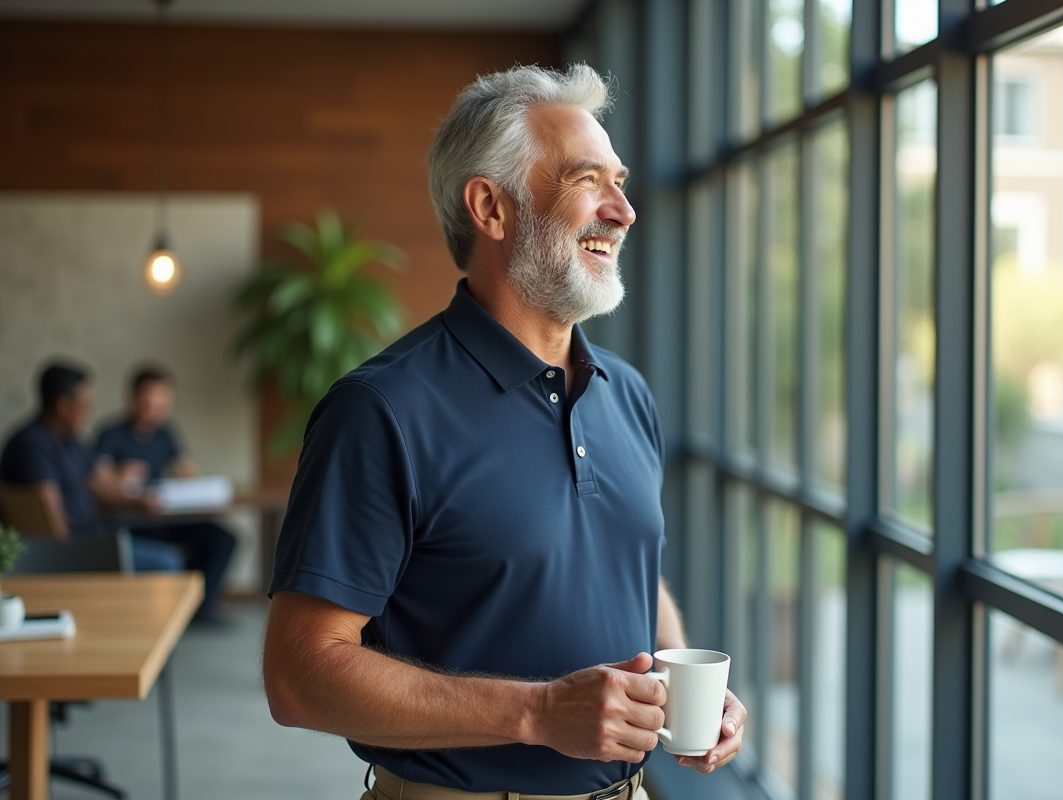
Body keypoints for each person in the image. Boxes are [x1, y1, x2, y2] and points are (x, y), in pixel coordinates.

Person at [262, 64, 746, 800]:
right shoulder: (381, 410)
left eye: (620, 181)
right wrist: (540, 713)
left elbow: (629, 570)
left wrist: (682, 683)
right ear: (491, 206)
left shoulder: (628, 394)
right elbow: (299, 675)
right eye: (589, 180)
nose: (624, 210)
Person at [0, 361, 183, 572]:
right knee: (167, 561)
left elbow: (101, 485)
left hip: (94, 535)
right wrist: (76, 555)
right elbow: (50, 526)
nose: (90, 410)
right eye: (85, 404)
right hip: (71, 549)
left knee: (162, 549)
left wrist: (138, 501)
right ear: (63, 406)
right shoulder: (31, 445)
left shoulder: (71, 442)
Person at [93, 365, 237, 623]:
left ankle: (198, 609)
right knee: (169, 555)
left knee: (224, 539)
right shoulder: (111, 434)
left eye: (161, 404)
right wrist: (120, 480)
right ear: (133, 398)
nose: (155, 410)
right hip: (130, 523)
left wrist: (192, 486)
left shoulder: (165, 433)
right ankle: (173, 610)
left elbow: (188, 472)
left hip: (164, 518)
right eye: (149, 402)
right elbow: (96, 482)